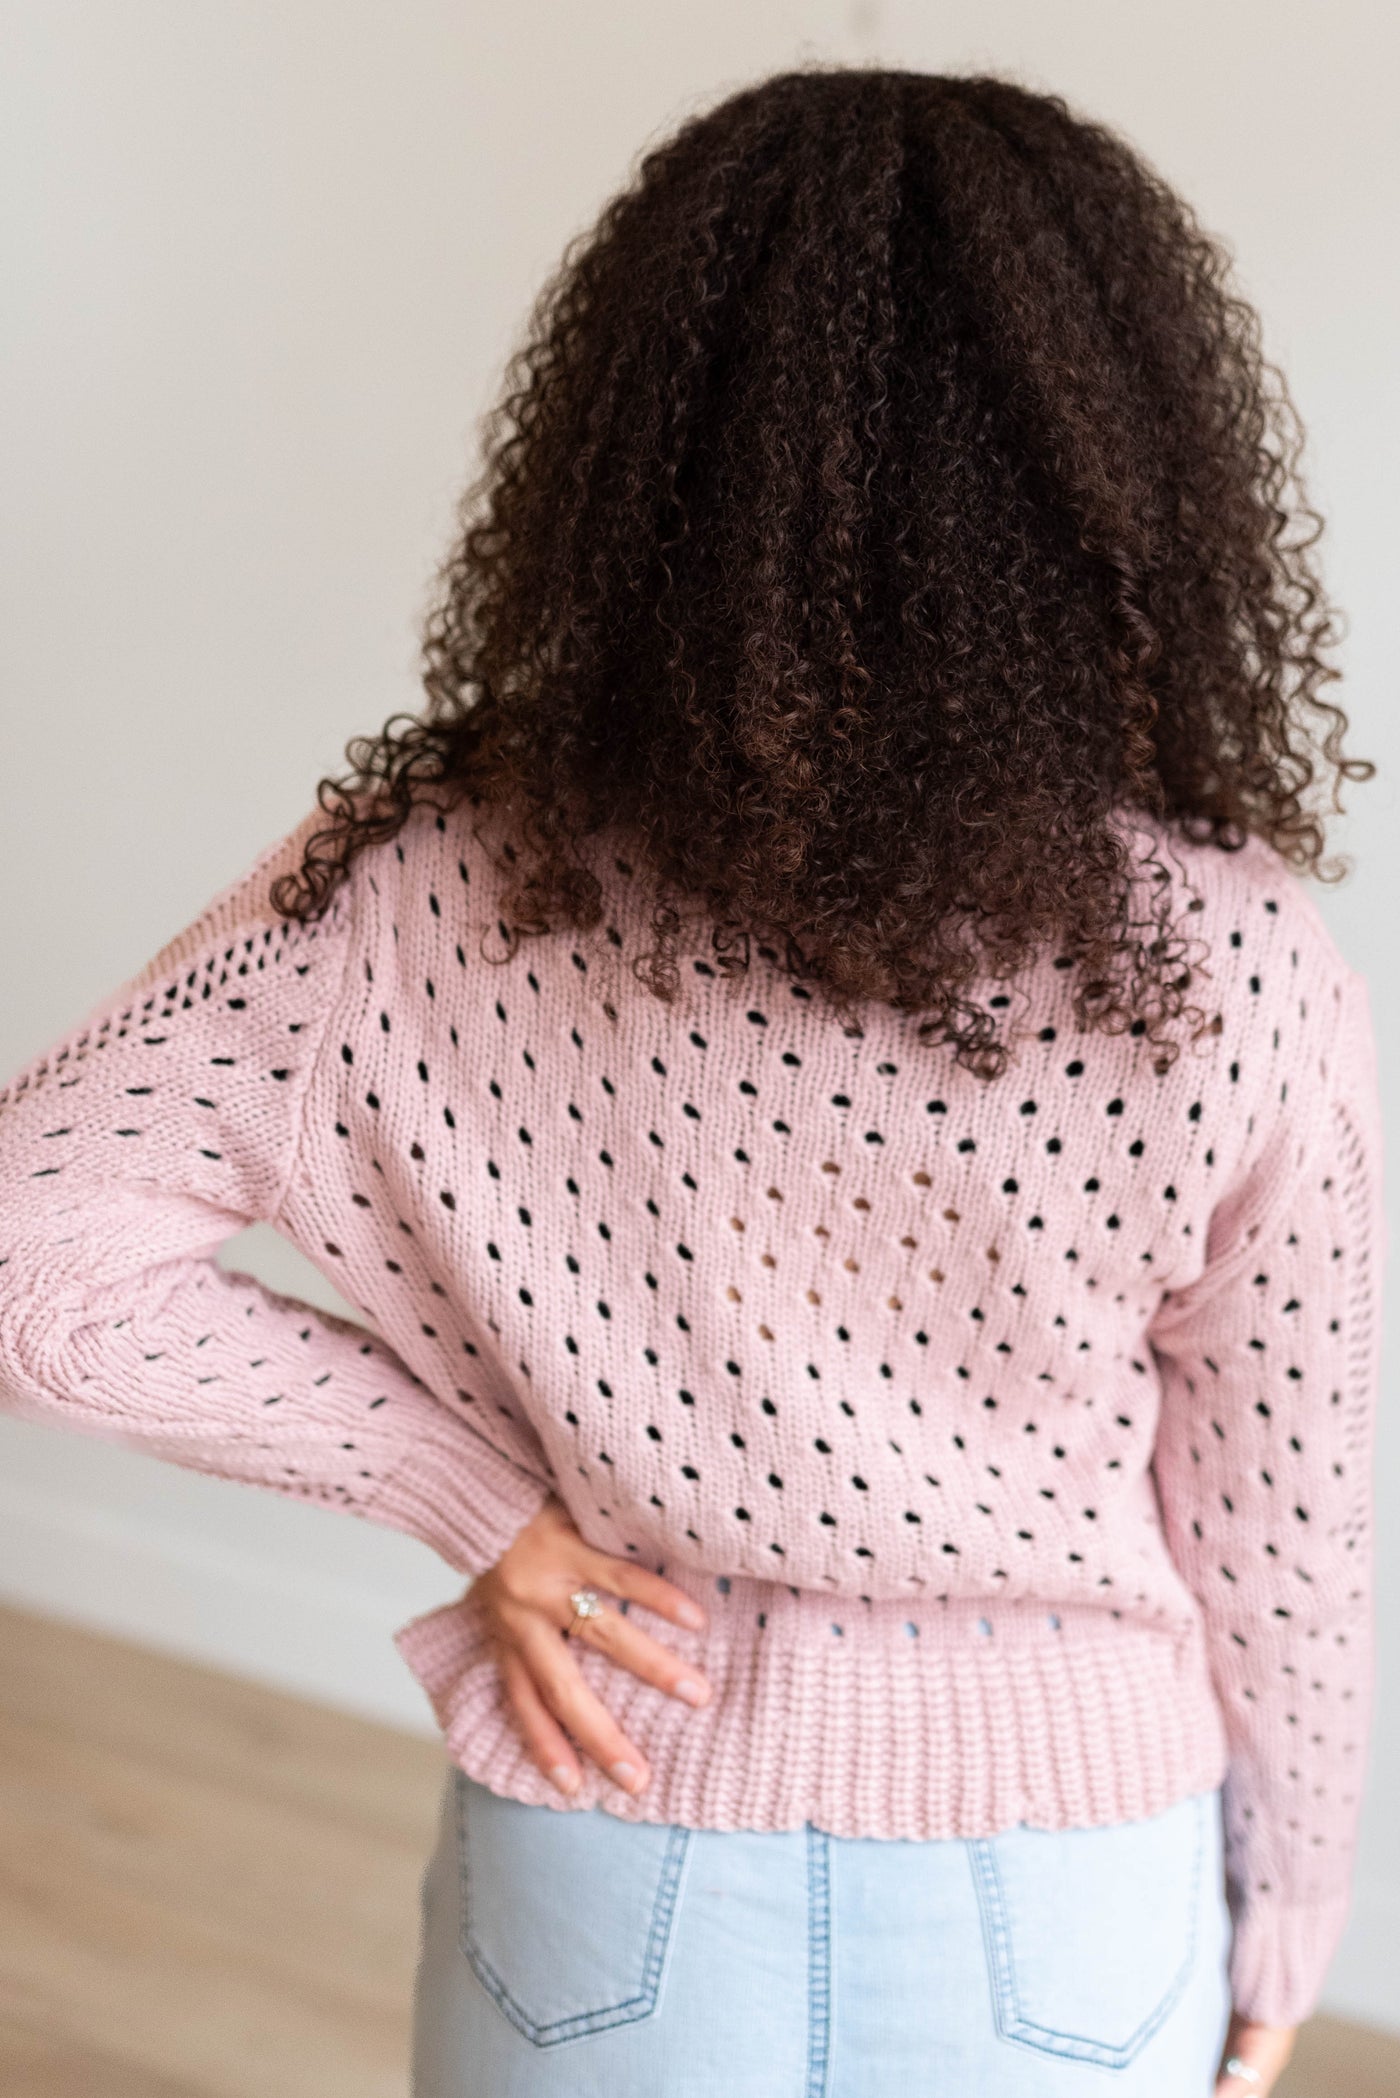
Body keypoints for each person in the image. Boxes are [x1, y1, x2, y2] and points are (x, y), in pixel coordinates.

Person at [0, 63, 1383, 2098]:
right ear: (1121, 466)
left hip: (609, 1823)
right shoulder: (1231, 959)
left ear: (634, 447)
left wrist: (463, 1497)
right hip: (1072, 1898)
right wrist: (1288, 1911)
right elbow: (1286, 1529)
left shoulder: (420, 882)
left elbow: (36, 1252)